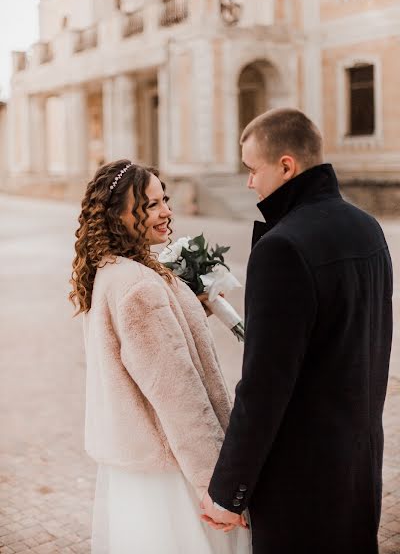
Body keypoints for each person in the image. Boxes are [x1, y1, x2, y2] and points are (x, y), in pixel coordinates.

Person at [200, 108, 393, 554]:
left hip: (300, 478)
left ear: (286, 166)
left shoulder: (282, 246)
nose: (249, 183)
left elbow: (264, 388)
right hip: (360, 464)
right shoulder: (369, 228)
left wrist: (229, 492)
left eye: (252, 170)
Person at [69, 160, 252, 554]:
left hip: (137, 471)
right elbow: (179, 398)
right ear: (117, 215)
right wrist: (216, 488)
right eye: (150, 205)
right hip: (172, 474)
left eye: (164, 200)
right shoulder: (139, 287)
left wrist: (192, 308)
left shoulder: (111, 271)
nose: (167, 211)